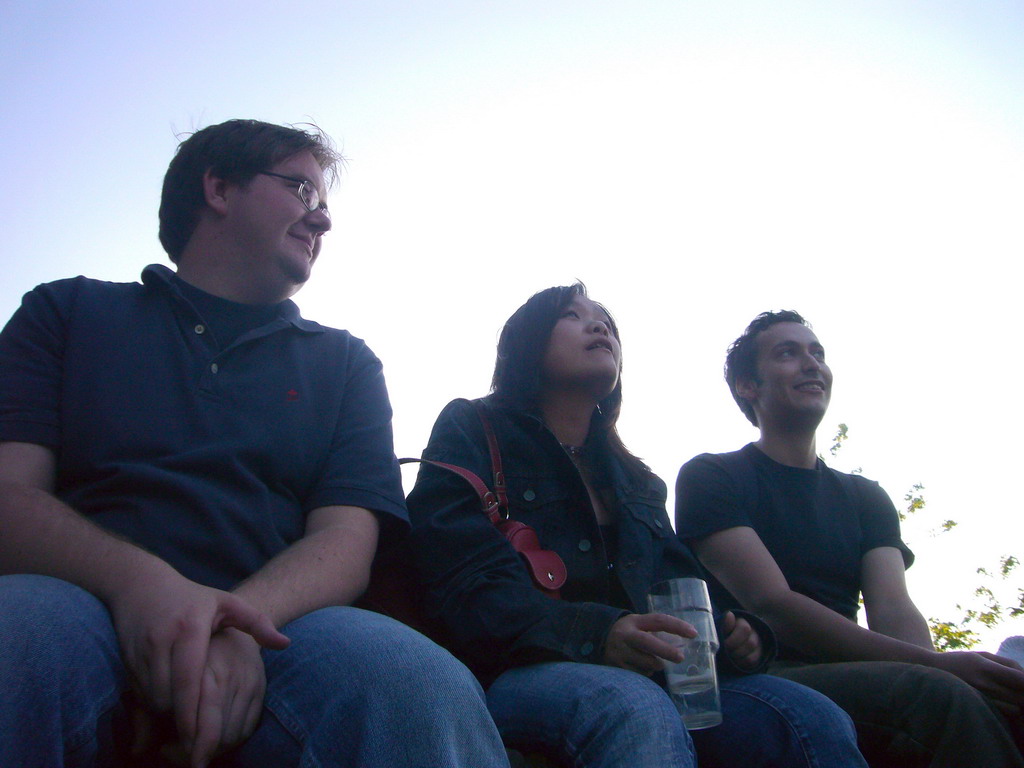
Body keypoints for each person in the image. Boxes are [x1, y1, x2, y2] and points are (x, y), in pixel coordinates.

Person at [0, 119, 509, 768]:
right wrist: (139, 586)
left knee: (415, 682)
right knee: (14, 632)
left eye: (324, 202)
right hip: (80, 606)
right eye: (301, 189)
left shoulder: (345, 364)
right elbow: (10, 495)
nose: (321, 221)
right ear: (217, 188)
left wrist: (240, 622)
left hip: (283, 630)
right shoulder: (65, 313)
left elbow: (346, 541)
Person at [405, 284, 867, 768]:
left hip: (655, 676)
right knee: (634, 707)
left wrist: (739, 635)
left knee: (810, 717)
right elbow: (457, 572)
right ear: (528, 342)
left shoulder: (636, 480)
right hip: (516, 672)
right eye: (571, 315)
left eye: (604, 319)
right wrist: (599, 633)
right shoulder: (473, 426)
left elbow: (682, 587)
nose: (598, 325)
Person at [675, 309, 1024, 768]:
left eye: (817, 353)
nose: (810, 363)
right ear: (748, 387)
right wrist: (939, 671)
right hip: (761, 674)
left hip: (858, 671)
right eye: (787, 353)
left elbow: (893, 608)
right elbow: (772, 603)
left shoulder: (866, 497)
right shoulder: (712, 476)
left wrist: (953, 670)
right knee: (937, 696)